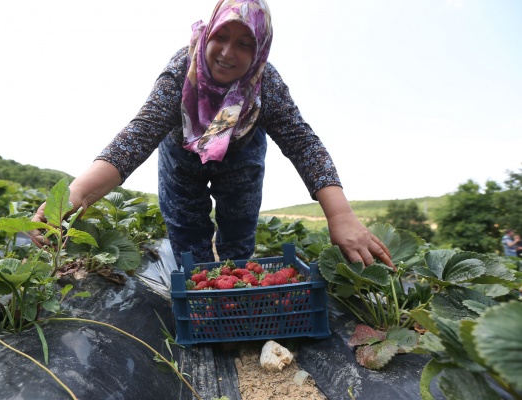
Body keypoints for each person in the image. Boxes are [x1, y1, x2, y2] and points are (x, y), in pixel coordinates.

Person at [31, 0, 395, 271]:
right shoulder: (180, 72)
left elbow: (303, 144)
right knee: (188, 237)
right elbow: (138, 136)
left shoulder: (265, 83)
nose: (227, 52)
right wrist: (76, 194)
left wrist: (340, 215)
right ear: (207, 34)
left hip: (241, 157)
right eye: (221, 36)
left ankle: (236, 289)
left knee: (239, 232)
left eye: (244, 43)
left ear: (260, 50)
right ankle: (199, 295)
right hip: (181, 160)